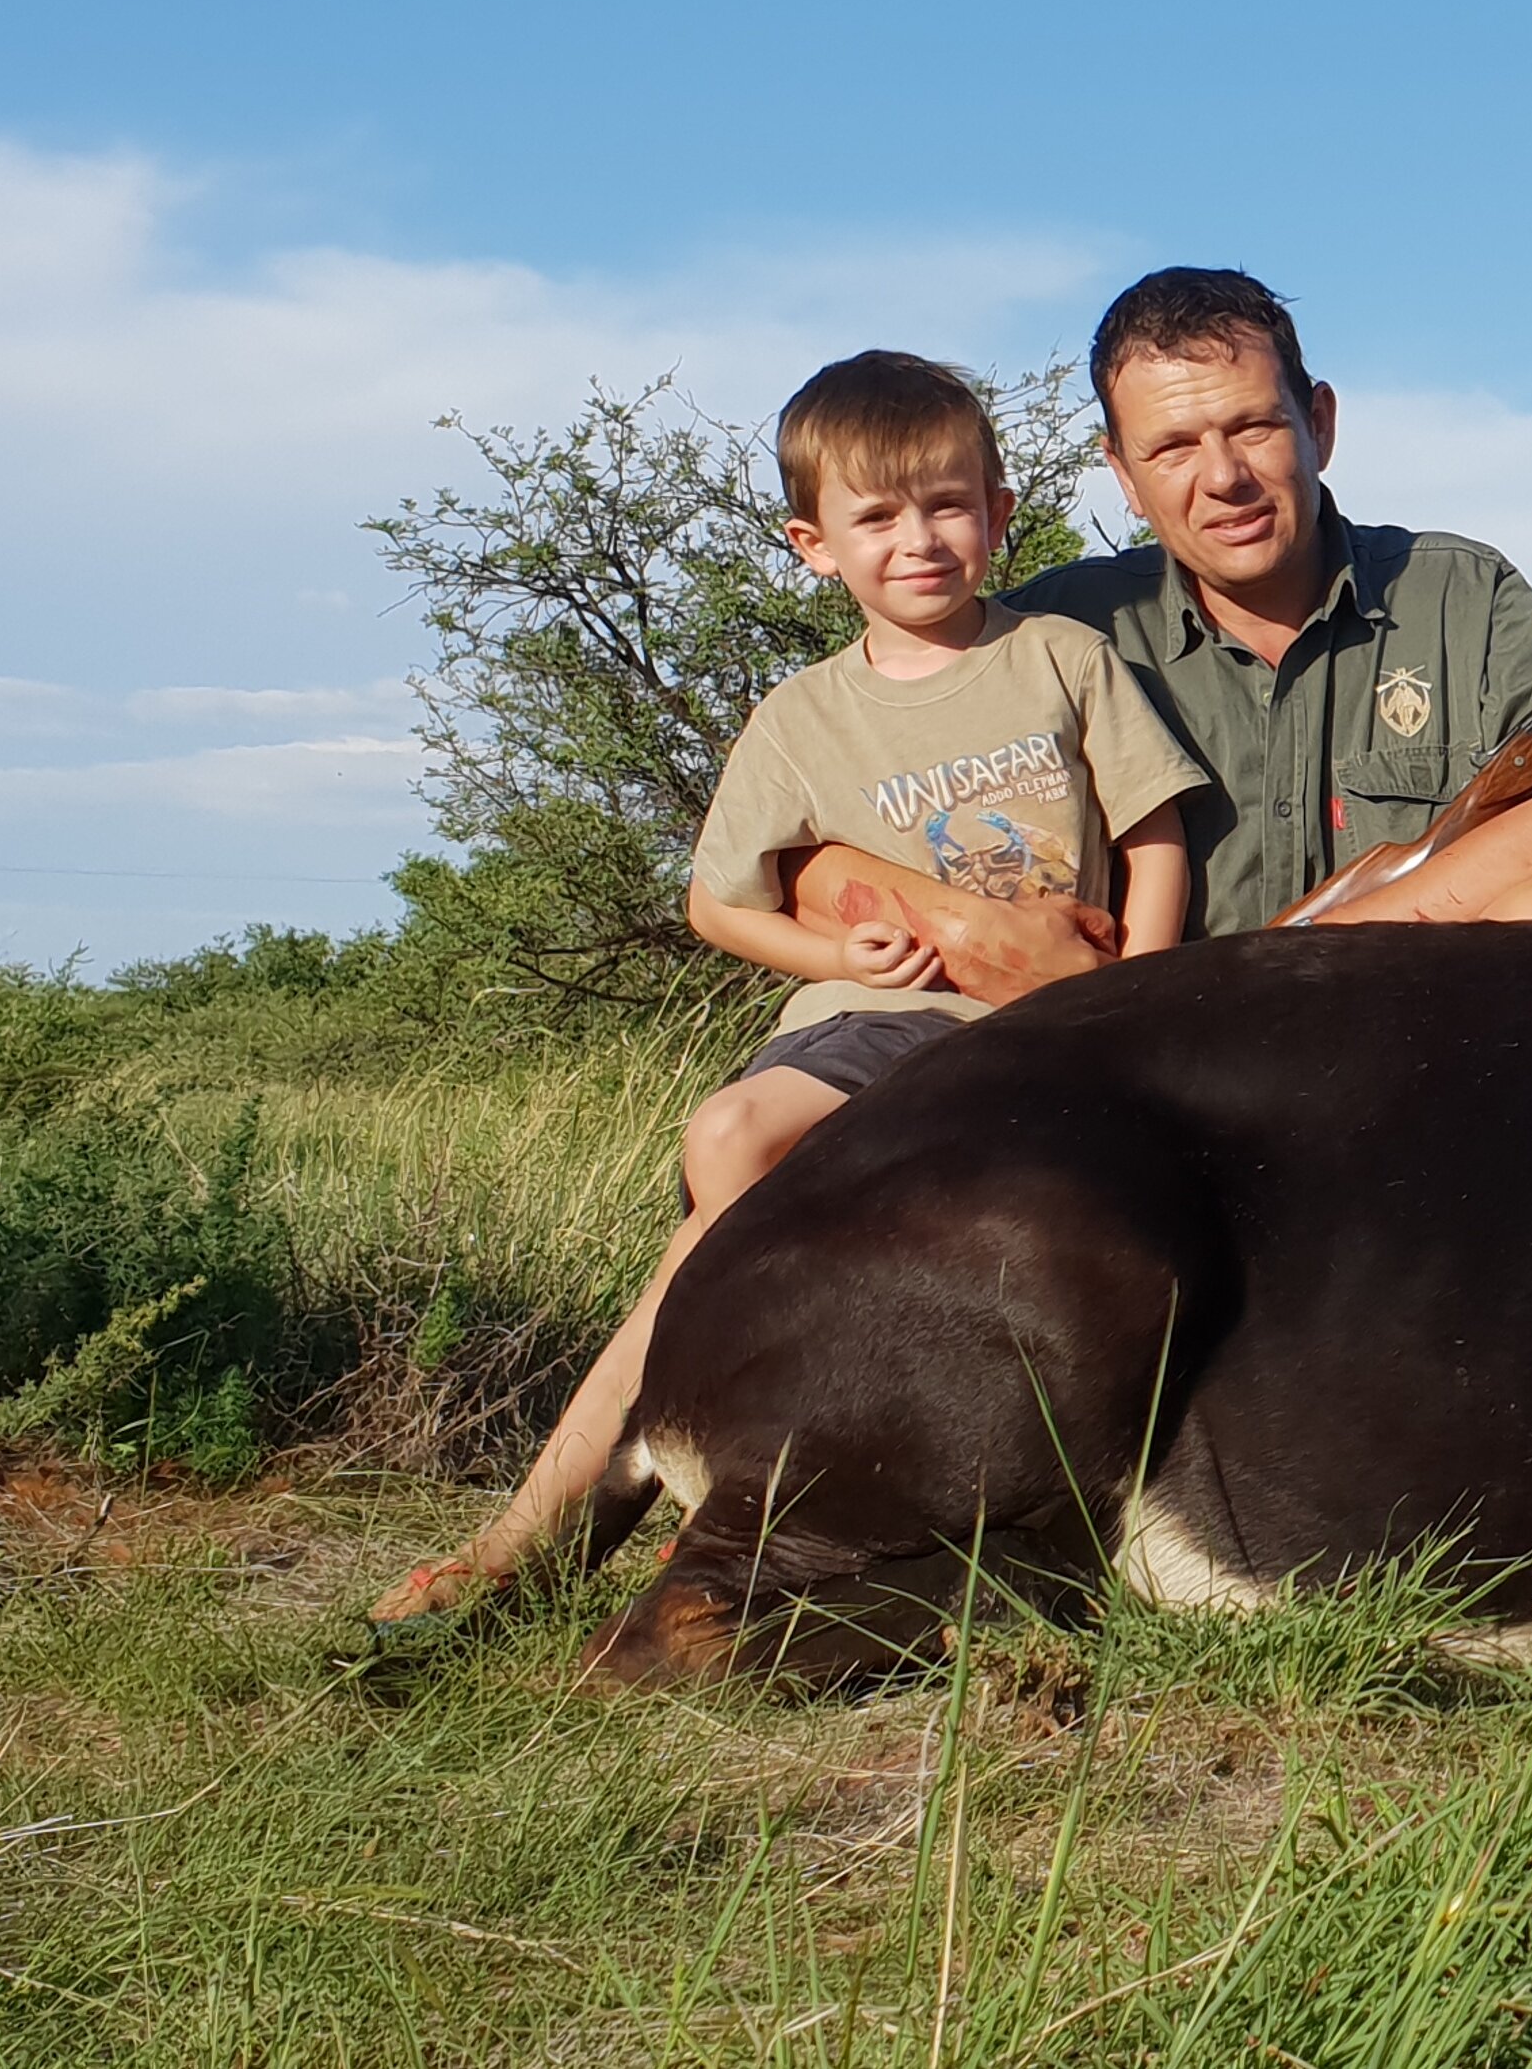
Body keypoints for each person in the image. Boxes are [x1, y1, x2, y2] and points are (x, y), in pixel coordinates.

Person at [368, 351, 1207, 1629]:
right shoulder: (802, 716)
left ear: (999, 510)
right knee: (728, 1137)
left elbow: (1155, 838)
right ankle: (575, 1511)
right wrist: (837, 958)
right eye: (877, 517)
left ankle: (670, 1494)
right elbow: (720, 904)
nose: (918, 541)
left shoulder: (1060, 656)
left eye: (945, 507)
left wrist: (1132, 998)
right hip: (868, 1023)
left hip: (1027, 1030)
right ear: (814, 545)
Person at [777, 266, 1532, 981]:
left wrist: (1319, 951)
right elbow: (804, 865)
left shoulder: (1458, 594)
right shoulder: (1043, 635)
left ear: (1317, 423)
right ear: (1121, 473)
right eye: (1170, 448)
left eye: (1253, 428)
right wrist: (991, 941)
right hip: (1162, 1076)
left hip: (1414, 1047)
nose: (1223, 477)